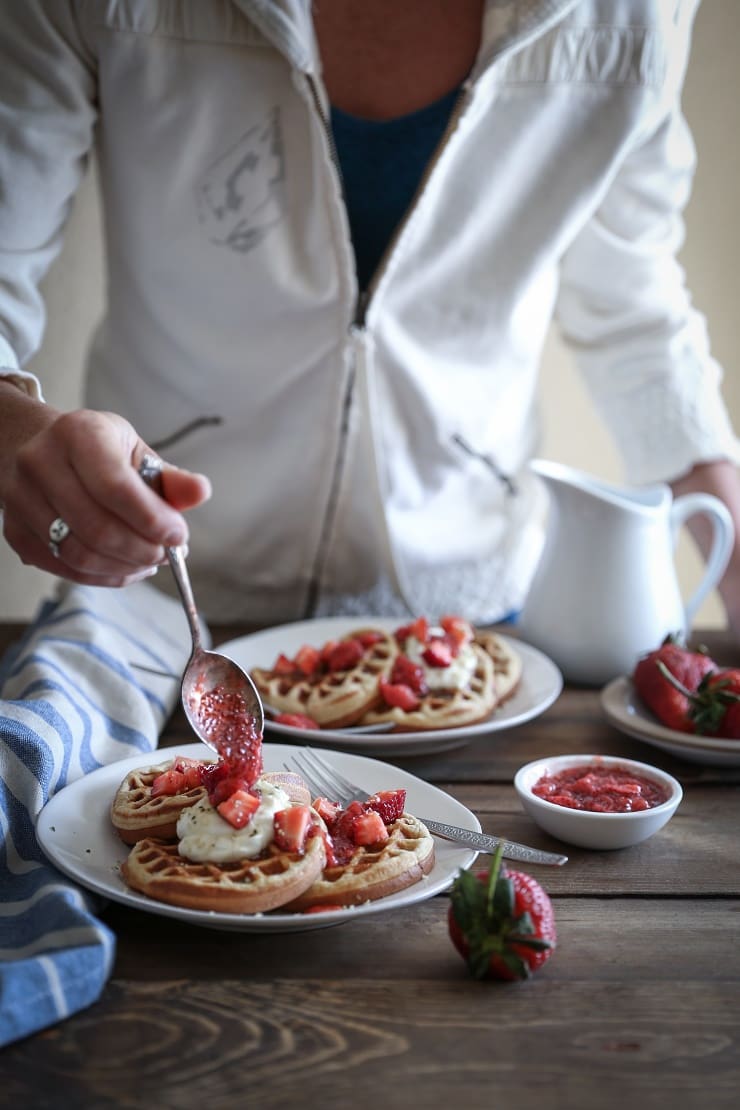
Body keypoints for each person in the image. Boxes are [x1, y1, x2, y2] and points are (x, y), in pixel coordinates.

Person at [1, 0, 739, 632]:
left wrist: (733, 558)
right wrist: (15, 430)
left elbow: (634, 306)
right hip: (165, 609)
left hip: (470, 627)